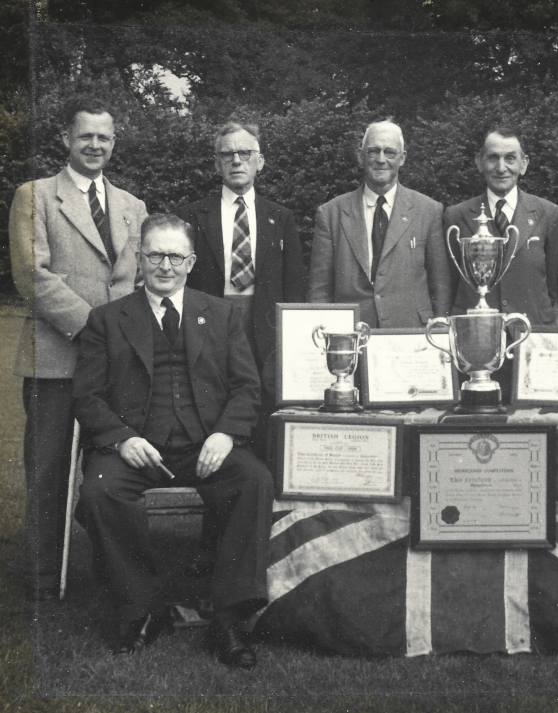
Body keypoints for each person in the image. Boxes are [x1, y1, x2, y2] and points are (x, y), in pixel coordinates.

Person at [72, 215, 274, 669]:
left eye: (175, 256)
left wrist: (225, 433)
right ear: (139, 259)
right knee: (99, 491)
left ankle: (230, 616)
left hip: (207, 446)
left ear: (191, 261)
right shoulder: (106, 319)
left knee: (254, 480)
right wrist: (122, 439)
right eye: (155, 255)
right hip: (138, 449)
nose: (165, 265)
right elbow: (87, 395)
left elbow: (247, 387)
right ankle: (143, 608)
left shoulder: (221, 314)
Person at [9, 95, 147, 602]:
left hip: (116, 368)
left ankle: (110, 572)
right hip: (56, 359)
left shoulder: (133, 206)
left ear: (114, 143)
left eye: (103, 137)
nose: (94, 145)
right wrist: (96, 330)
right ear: (66, 139)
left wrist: (127, 339)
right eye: (85, 135)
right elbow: (32, 276)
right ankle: (45, 579)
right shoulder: (35, 195)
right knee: (48, 472)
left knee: (110, 472)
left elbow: (136, 282)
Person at [176, 122, 306, 378]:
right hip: (209, 327)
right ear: (217, 164)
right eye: (227, 155)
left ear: (260, 161)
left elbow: (294, 283)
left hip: (265, 329)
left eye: (245, 153)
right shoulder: (192, 215)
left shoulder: (281, 217)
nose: (236, 161)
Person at [307, 120, 451, 327]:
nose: (381, 159)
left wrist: (440, 332)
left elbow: (441, 285)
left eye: (390, 152)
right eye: (373, 151)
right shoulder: (331, 213)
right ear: (360, 156)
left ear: (402, 158)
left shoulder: (429, 211)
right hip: (351, 334)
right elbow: (319, 289)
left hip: (412, 334)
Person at [446, 127, 558, 327]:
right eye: (493, 158)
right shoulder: (456, 215)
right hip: (475, 330)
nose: (501, 168)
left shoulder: (549, 213)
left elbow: (553, 283)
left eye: (510, 158)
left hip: (532, 329)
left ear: (524, 164)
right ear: (480, 162)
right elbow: (451, 282)